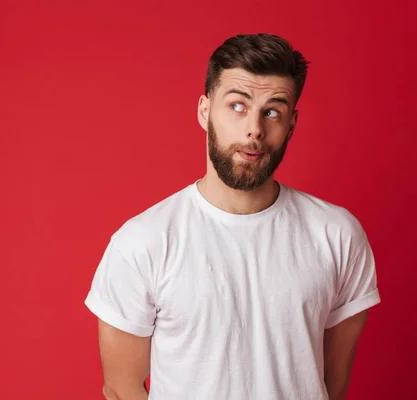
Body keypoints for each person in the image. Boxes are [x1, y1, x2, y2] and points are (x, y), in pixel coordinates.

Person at [84, 33, 381, 400]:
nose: (254, 128)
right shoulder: (143, 242)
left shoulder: (337, 235)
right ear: (205, 111)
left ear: (291, 124)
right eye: (237, 106)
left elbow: (332, 387)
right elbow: (120, 388)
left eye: (272, 111)